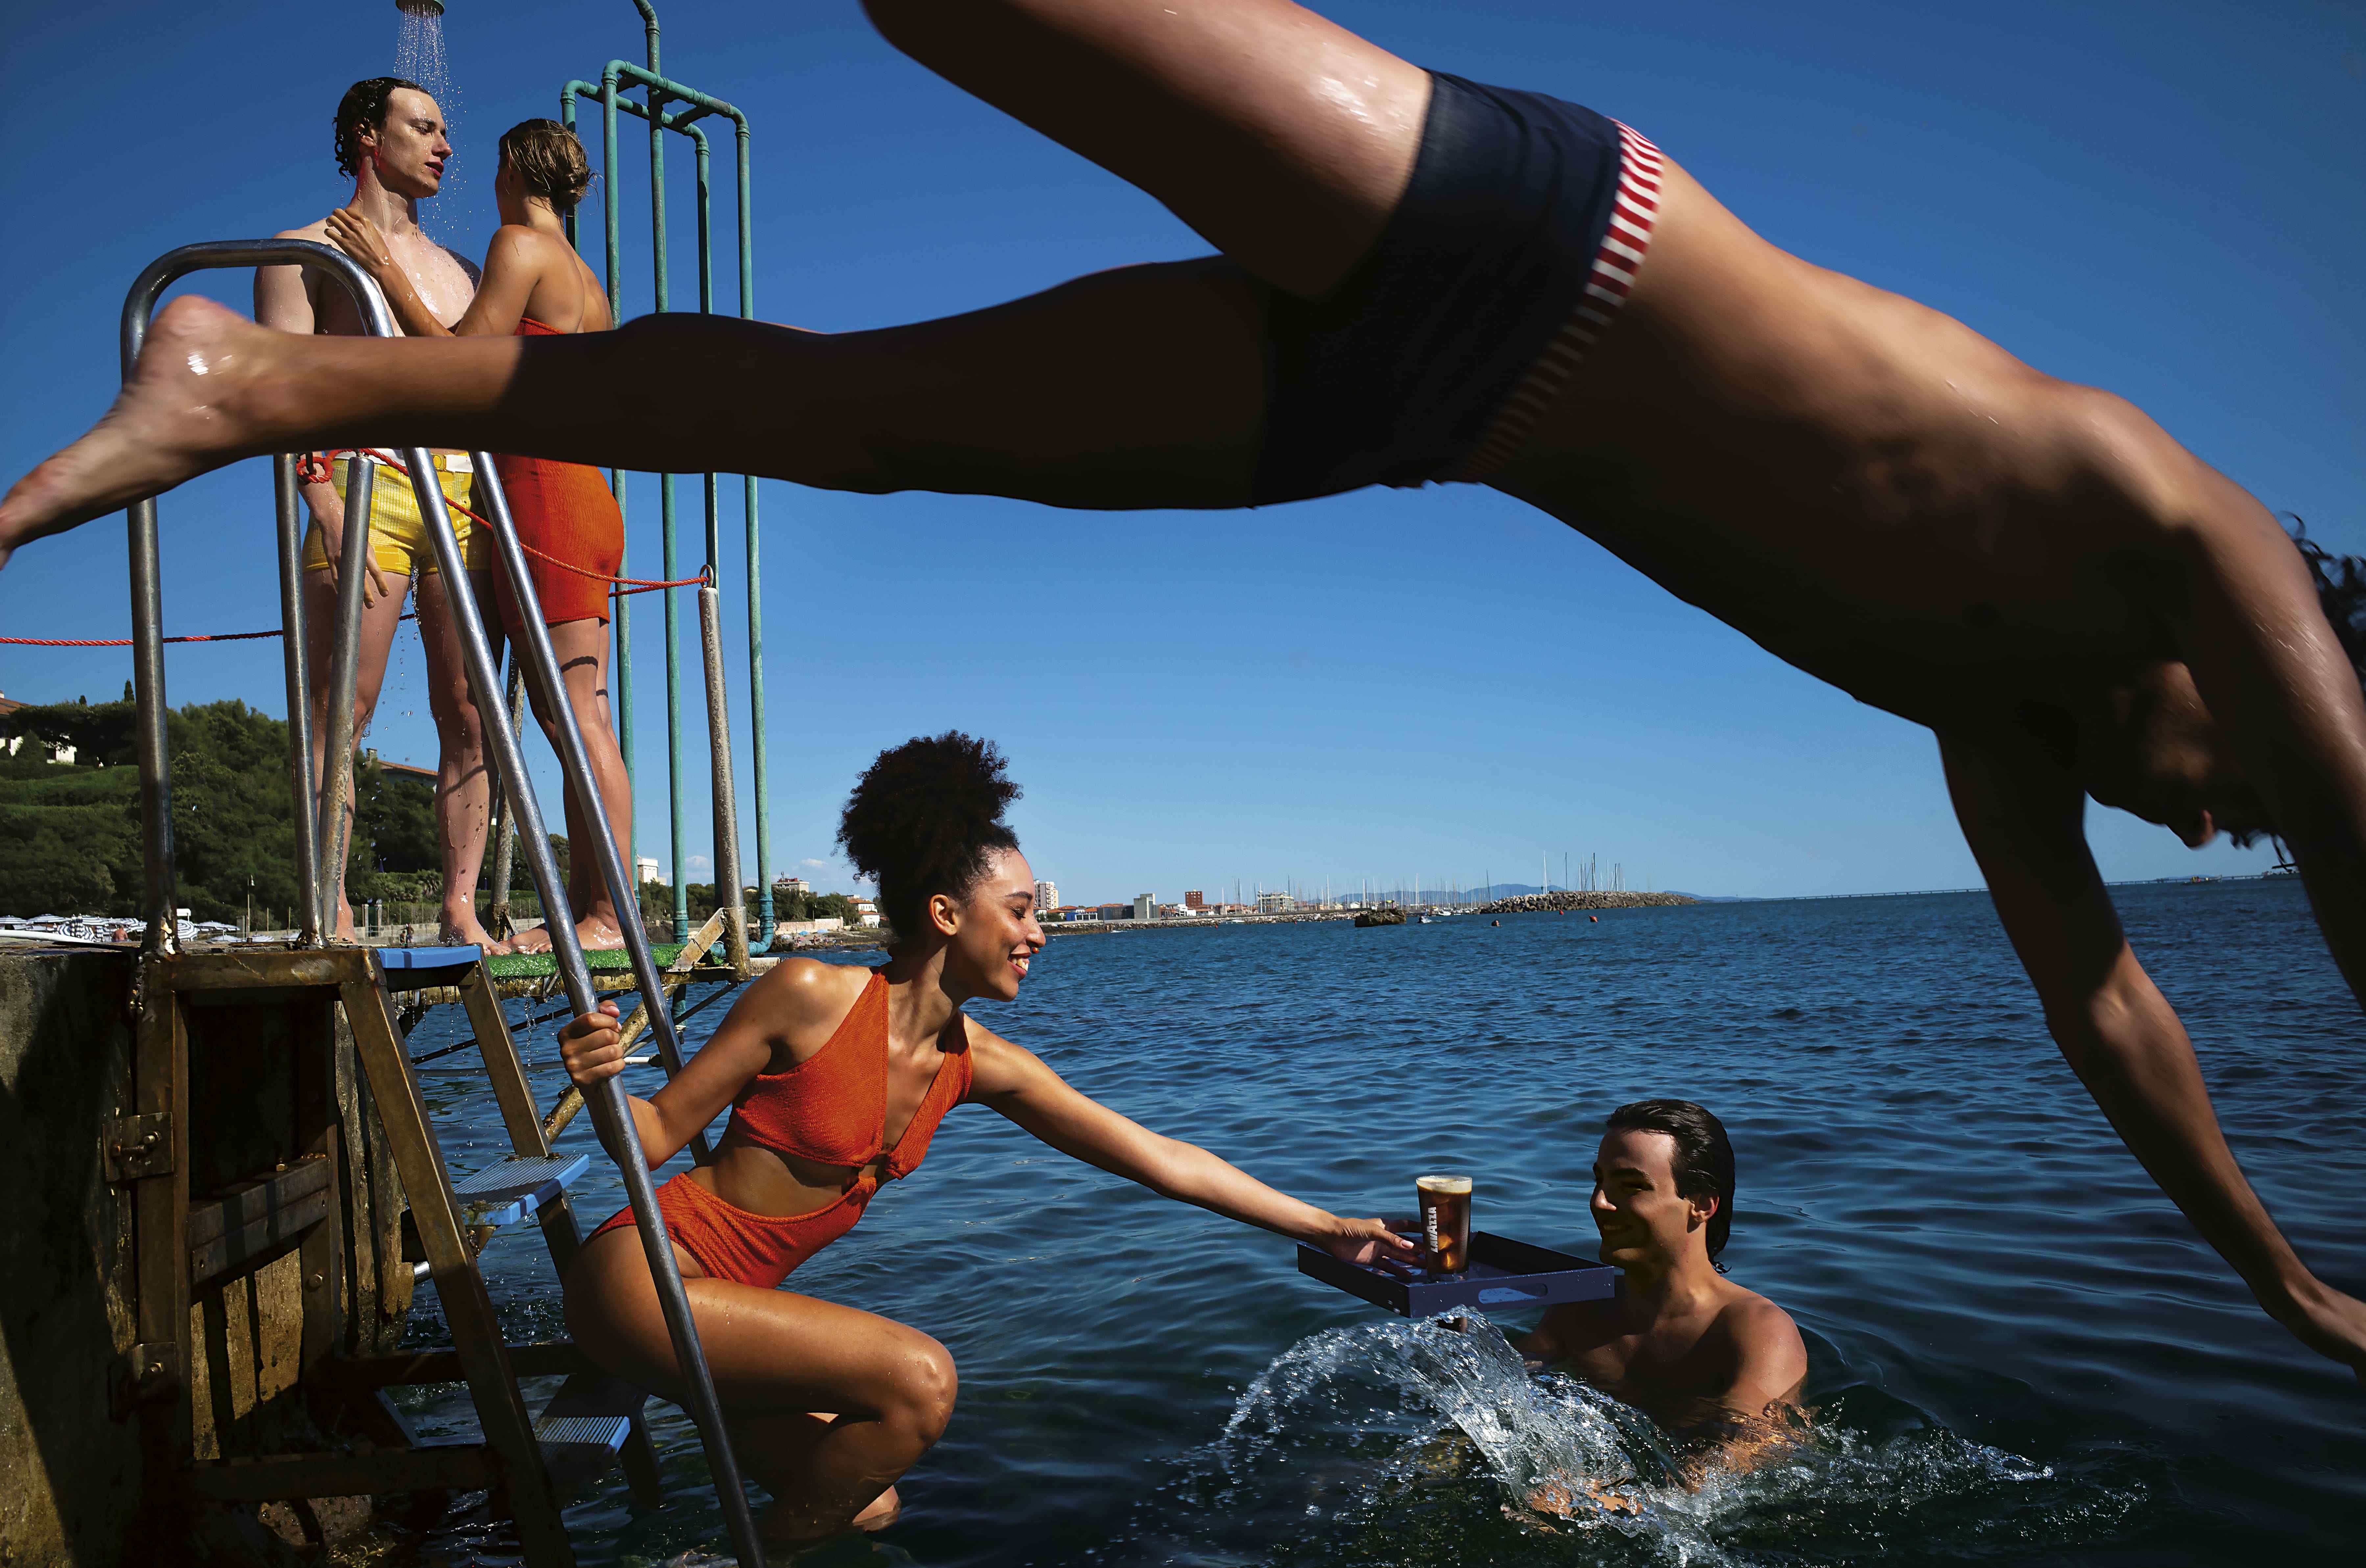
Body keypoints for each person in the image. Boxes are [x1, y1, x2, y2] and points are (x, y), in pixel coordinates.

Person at [4, 0, 2364, 1376]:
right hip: (1537, 236)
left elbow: (2114, 1017)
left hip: (1420, 419)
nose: (2206, 823)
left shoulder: (1988, 711)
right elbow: (2353, 824)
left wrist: (2281, 1276)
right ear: (2258, 677)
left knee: (856, 418)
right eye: (2230, 785)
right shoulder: (2177, 516)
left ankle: (251, 385)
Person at [555, 732, 1411, 1548]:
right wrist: (600, 1084)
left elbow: (1160, 1159)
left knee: (864, 1503)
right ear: (943, 912)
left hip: (734, 1314)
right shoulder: (811, 994)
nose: (1038, 932)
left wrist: (1324, 1226)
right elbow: (658, 1130)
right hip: (646, 1276)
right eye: (1019, 910)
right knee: (918, 1380)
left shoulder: (980, 1064)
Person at [325, 119, 634, 952]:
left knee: (574, 713)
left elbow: (463, 361)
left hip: (542, 495)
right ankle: (590, 907)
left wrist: (386, 275)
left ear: (513, 170)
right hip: (583, 497)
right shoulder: (590, 280)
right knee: (575, 708)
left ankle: (607, 914)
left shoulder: (518, 246)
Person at [252, 76, 505, 949]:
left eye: (445, 130)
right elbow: (282, 387)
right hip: (362, 479)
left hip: (462, 489)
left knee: (469, 709)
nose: (444, 146)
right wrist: (316, 494)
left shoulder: (463, 269)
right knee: (340, 709)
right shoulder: (300, 248)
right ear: (369, 135)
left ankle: (460, 904)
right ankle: (330, 900)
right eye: (423, 128)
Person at [1518, 1100, 1805, 1467]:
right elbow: (1496, 1382)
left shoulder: (1757, 1329)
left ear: (1702, 1204)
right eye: (1599, 1181)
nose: (1599, 1202)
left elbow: (1741, 1451)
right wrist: (1444, 1303)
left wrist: (1610, 1502)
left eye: (1631, 1186)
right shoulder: (1580, 1310)